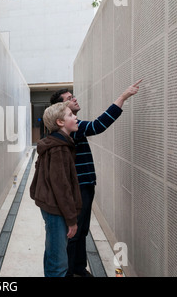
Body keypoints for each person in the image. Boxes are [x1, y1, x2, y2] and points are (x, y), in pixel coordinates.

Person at [50, 80, 142, 277]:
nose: (74, 98)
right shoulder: (71, 128)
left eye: (72, 95)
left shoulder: (73, 125)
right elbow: (98, 125)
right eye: (68, 99)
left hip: (85, 185)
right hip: (79, 187)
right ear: (60, 109)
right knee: (75, 232)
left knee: (82, 230)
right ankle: (70, 271)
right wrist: (123, 97)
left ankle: (77, 268)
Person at [29, 102, 82, 277]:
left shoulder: (56, 143)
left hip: (52, 206)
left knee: (53, 253)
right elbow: (62, 187)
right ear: (60, 122)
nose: (75, 117)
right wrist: (72, 219)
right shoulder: (59, 148)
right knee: (58, 264)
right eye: (70, 115)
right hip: (56, 208)